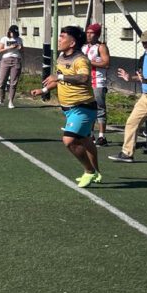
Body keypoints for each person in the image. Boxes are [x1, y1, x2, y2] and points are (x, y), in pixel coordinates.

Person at [31, 26, 102, 187]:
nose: (59, 39)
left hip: (83, 106)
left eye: (62, 37)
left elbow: (84, 78)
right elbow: (58, 80)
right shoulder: (62, 57)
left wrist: (61, 75)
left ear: (72, 42)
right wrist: (43, 90)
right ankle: (96, 172)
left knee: (69, 140)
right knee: (85, 140)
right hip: (69, 109)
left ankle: (89, 171)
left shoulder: (81, 59)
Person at [108, 29, 147, 163]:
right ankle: (127, 153)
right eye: (143, 43)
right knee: (131, 122)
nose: (144, 45)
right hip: (145, 96)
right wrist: (130, 78)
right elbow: (143, 78)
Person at [83, 23, 111, 146]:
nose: (88, 35)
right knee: (87, 107)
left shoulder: (101, 47)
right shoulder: (84, 47)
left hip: (97, 81)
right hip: (85, 81)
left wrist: (89, 63)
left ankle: (102, 136)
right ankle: (90, 133)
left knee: (99, 108)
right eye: (87, 32)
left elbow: (106, 63)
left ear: (97, 34)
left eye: (91, 33)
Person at [0, 24, 23, 109]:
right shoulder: (4, 39)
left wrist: (19, 48)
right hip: (5, 60)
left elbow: (22, 50)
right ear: (9, 32)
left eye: (16, 33)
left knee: (13, 82)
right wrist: (9, 47)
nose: (14, 34)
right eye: (13, 33)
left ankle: (11, 101)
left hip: (16, 60)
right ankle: (0, 100)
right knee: (1, 81)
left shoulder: (19, 39)